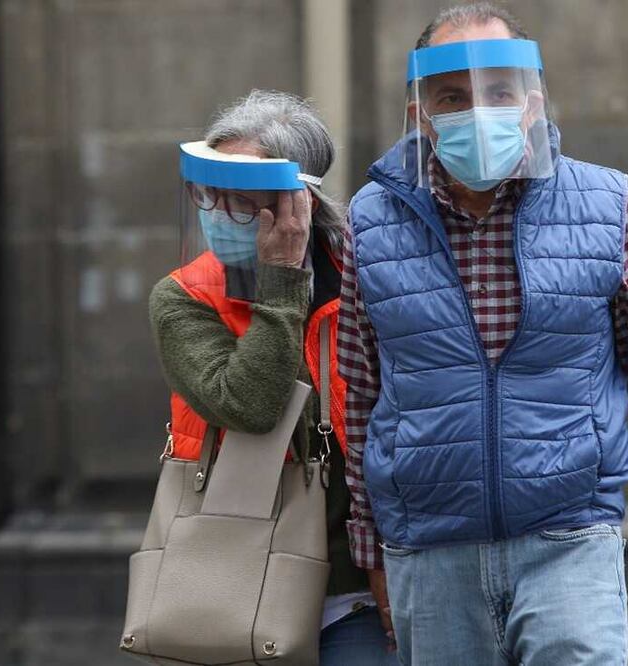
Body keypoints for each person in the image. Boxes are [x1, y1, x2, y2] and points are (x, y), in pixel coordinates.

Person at [337, 4, 628, 665]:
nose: (478, 112)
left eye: (497, 92)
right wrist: (369, 548)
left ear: (531, 102)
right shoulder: (370, 223)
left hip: (568, 536)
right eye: (453, 98)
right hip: (431, 551)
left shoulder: (602, 207)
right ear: (419, 116)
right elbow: (361, 399)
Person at [149, 90, 398, 665]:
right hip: (239, 577)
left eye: (240, 200)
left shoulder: (367, 275)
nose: (217, 212)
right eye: (206, 194)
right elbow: (250, 405)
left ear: (297, 202)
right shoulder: (184, 296)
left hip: (357, 587)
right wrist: (282, 282)